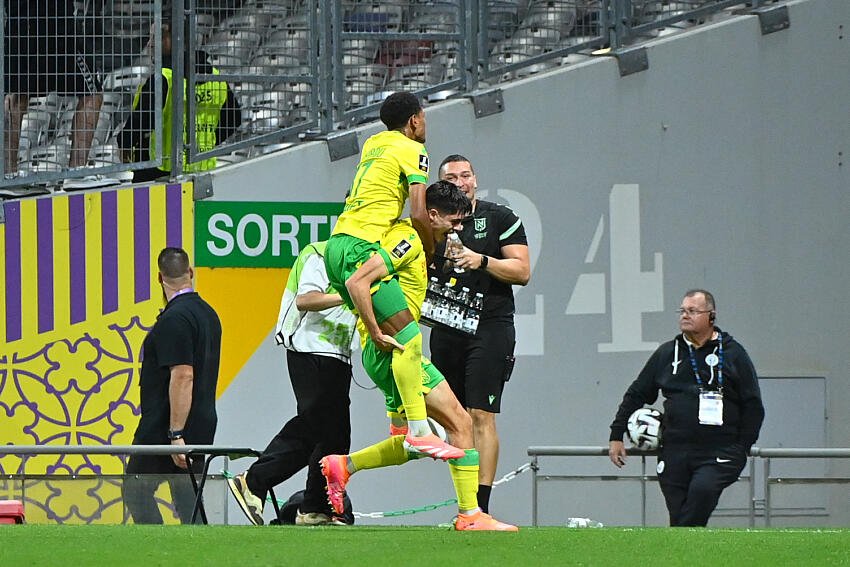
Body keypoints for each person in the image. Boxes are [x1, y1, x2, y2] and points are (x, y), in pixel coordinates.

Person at [321, 181, 518, 531]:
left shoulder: (414, 237)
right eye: (454, 222)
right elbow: (359, 282)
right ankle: (471, 515)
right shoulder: (408, 238)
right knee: (461, 423)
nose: (458, 230)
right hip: (395, 352)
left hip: (386, 354)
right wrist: (376, 329)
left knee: (410, 446)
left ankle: (344, 466)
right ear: (432, 214)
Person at [324, 91, 463, 459]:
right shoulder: (413, 150)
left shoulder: (373, 143)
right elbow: (419, 211)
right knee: (411, 339)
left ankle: (401, 424)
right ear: (414, 120)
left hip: (337, 243)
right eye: (424, 119)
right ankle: (417, 431)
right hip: (360, 245)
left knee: (401, 336)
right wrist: (429, 254)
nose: (425, 127)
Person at [226, 241, 358, 526]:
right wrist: (350, 296)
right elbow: (305, 299)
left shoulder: (367, 261)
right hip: (308, 347)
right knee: (313, 426)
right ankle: (253, 481)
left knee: (336, 437)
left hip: (339, 353)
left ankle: (315, 507)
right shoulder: (324, 252)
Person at [608, 289, 765, 527]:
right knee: (681, 516)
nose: (685, 315)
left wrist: (742, 447)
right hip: (675, 451)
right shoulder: (667, 353)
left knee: (701, 495)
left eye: (693, 311)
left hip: (719, 451)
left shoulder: (734, 354)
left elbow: (753, 405)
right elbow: (637, 393)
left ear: (711, 316)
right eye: (682, 310)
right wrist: (616, 435)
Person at [428, 154, 530, 514]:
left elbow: (522, 270)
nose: (461, 181)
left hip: (489, 326)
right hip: (445, 326)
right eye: (452, 177)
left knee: (482, 415)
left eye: (466, 175)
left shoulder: (499, 217)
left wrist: (481, 260)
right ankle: (465, 507)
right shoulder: (431, 220)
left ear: (476, 179)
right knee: (456, 420)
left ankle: (479, 509)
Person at [123, 247, 222, 524]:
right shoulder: (209, 315)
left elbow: (183, 376)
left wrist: (176, 433)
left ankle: (157, 550)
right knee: (187, 497)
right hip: (200, 422)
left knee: (136, 489)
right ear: (190, 272)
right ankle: (197, 553)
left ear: (159, 278)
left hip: (167, 427)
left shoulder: (174, 319)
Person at [119, 17, 241, 183]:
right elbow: (233, 119)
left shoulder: (163, 78)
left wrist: (125, 142)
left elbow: (142, 119)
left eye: (156, 37)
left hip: (158, 170)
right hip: (201, 168)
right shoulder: (216, 79)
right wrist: (207, 141)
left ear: (171, 40)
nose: (150, 44)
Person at [3, 1, 104, 174]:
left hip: (21, 25)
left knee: (16, 96)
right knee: (92, 93)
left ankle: (7, 173)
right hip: (56, 26)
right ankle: (77, 171)